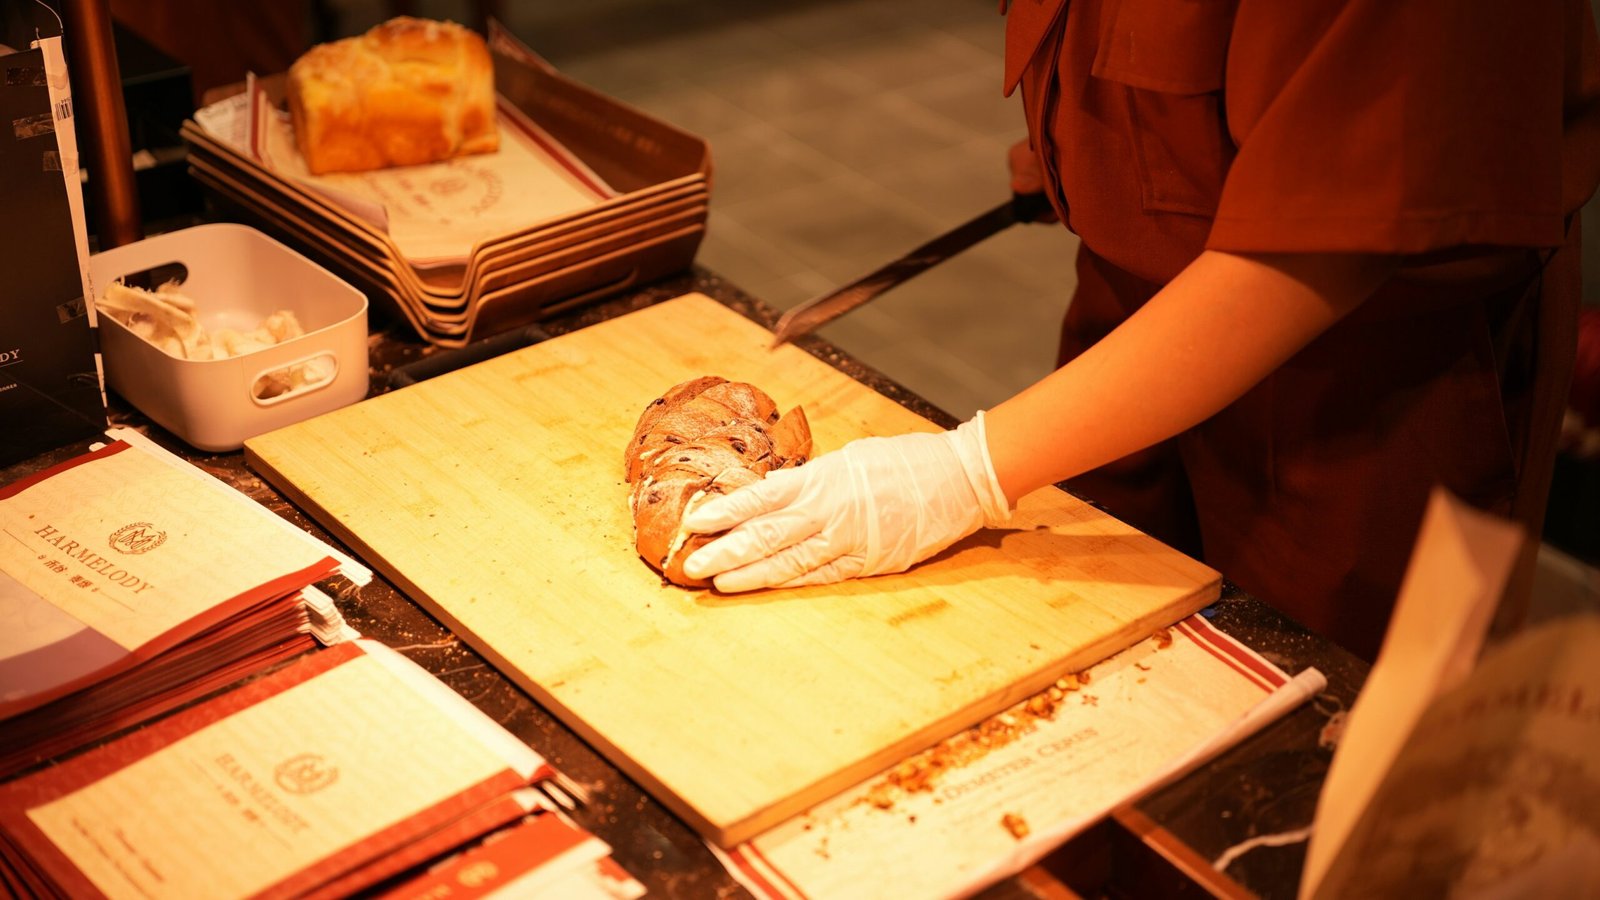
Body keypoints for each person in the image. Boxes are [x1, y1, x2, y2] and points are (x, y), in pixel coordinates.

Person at [681, 0, 1600, 662]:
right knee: (1082, 671)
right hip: (1137, 320)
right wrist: (1100, 143)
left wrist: (967, 472)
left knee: (1323, 756)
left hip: (1370, 390)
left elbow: (1326, 249)